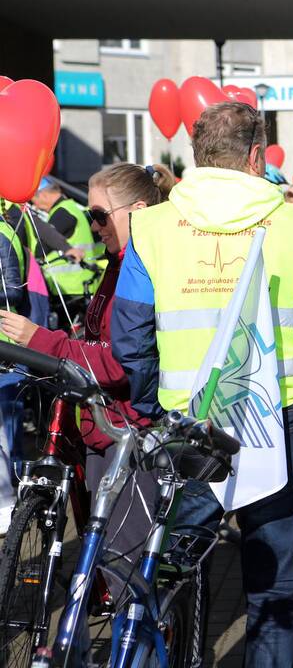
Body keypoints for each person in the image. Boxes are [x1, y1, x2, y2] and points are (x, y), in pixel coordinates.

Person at [112, 102, 293, 666]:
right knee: (272, 590)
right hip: (277, 416)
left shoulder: (152, 225)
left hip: (186, 422)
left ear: (198, 155)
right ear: (255, 155)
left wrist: (151, 405)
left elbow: (128, 338)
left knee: (165, 570)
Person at [0, 162, 172, 560]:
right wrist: (67, 338)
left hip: (128, 429)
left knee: (122, 561)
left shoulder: (140, 266)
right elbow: (100, 336)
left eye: (99, 215)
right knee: (105, 551)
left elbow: (118, 360)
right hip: (104, 424)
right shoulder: (119, 262)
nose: (94, 226)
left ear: (139, 210)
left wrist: (42, 339)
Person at [29, 180, 104, 298]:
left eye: (34, 201)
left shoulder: (62, 213)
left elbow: (41, 248)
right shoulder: (69, 207)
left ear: (44, 195)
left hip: (69, 286)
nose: (35, 206)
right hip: (78, 283)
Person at [0, 205, 27, 533]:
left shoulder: (3, 234)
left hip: (6, 345)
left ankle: (11, 501)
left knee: (8, 428)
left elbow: (13, 289)